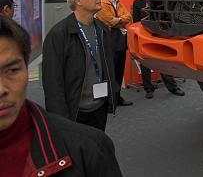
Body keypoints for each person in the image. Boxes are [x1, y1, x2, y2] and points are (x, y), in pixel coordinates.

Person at [0, 16, 123, 176]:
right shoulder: (59, 33)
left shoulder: (89, 148)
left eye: (12, 70)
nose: (1, 89)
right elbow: (53, 79)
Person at [42, 0, 119, 131]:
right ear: (78, 0)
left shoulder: (102, 29)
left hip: (99, 106)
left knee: (96, 149)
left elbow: (108, 66)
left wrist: (112, 94)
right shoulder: (59, 35)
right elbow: (52, 82)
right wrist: (60, 119)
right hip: (73, 112)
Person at [132, 0, 185, 99]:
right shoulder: (137, 3)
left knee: (163, 62)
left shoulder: (161, 1)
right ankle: (148, 88)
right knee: (145, 64)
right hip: (145, 37)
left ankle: (173, 87)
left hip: (160, 36)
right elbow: (135, 22)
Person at [96, 0, 133, 106]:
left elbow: (128, 17)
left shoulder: (119, 3)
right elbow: (109, 21)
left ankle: (117, 98)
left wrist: (118, 20)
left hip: (120, 41)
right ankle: (108, 100)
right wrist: (119, 21)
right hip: (109, 41)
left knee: (119, 70)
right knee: (109, 71)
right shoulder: (102, 3)